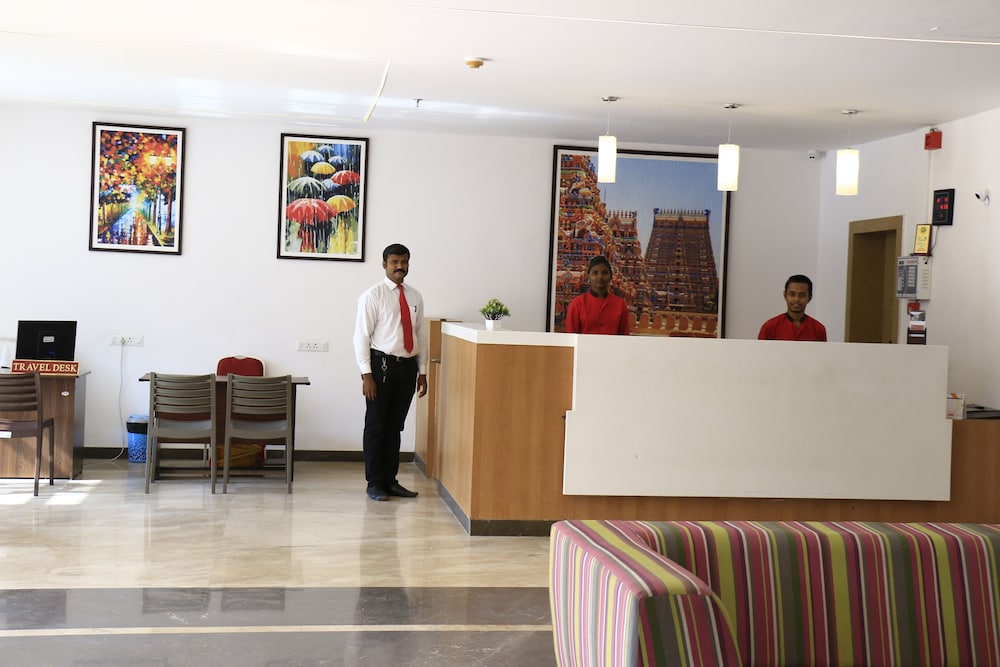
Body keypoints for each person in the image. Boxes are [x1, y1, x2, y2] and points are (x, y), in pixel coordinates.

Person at [353, 243, 428, 501]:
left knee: (395, 426)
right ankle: (374, 483)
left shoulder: (415, 296)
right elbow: (361, 336)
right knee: (376, 426)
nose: (400, 266)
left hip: (406, 368)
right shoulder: (372, 296)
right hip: (380, 368)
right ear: (384, 264)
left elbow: (420, 335)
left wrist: (422, 371)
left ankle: (390, 481)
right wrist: (366, 375)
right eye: (394, 262)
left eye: (404, 262)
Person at [564, 256, 630, 335]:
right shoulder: (577, 304)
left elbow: (624, 337)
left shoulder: (620, 305)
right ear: (588, 276)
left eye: (604, 273)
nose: (600, 277)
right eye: (595, 273)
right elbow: (571, 337)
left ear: (611, 276)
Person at [758, 274, 827, 341]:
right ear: (785, 295)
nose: (796, 299)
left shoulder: (818, 330)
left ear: (809, 298)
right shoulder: (769, 327)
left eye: (802, 295)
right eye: (792, 294)